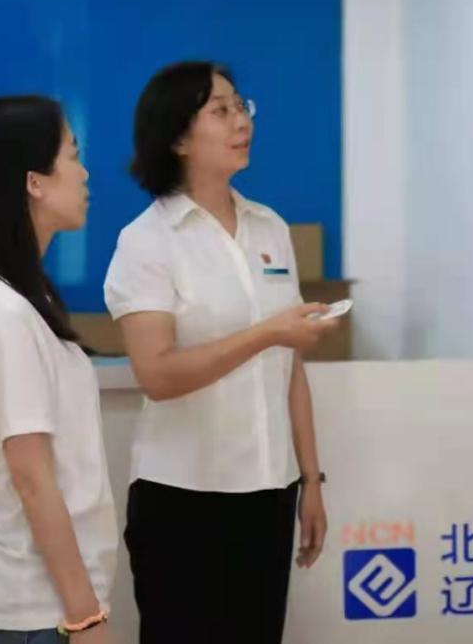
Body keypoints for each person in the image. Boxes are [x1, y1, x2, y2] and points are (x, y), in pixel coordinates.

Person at [104, 61, 338, 644]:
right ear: (179, 138)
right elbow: (156, 374)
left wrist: (310, 480)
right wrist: (267, 333)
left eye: (241, 106)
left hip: (270, 493)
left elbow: (290, 370)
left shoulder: (270, 227)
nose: (241, 121)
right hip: (184, 500)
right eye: (220, 110)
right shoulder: (147, 240)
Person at [0, 96, 117, 644]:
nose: (85, 173)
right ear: (34, 182)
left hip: (35, 606)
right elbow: (32, 478)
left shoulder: (16, 293)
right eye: (73, 156)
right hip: (35, 612)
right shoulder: (2, 311)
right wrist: (85, 618)